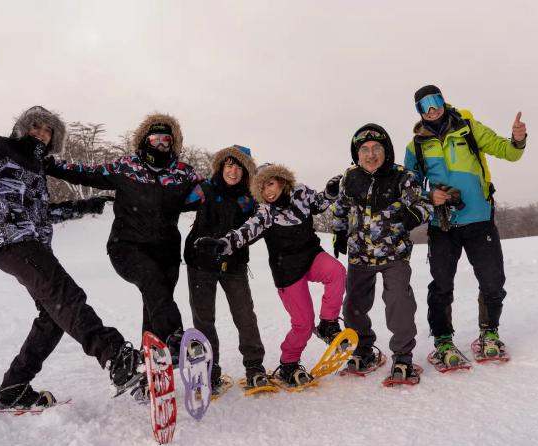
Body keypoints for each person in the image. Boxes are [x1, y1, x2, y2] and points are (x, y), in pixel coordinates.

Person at [0, 106, 143, 409]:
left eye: (47, 130)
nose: (41, 133)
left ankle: (13, 387)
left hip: (30, 244)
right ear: (23, 128)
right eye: (36, 127)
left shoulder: (37, 166)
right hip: (9, 238)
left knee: (52, 316)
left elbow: (41, 213)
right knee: (66, 296)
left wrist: (83, 207)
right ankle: (117, 358)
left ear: (54, 138)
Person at [46, 113, 201, 366]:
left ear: (173, 143)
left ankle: (150, 363)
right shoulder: (127, 167)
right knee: (153, 284)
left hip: (167, 251)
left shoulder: (183, 173)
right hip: (127, 246)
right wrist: (50, 164)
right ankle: (175, 337)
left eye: (166, 140)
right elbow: (87, 173)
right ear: (144, 140)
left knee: (157, 301)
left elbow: (210, 195)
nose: (160, 145)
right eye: (155, 139)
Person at [404, 85, 527, 368]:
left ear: (444, 101)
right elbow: (408, 187)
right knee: (442, 285)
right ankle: (443, 340)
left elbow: (506, 151)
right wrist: (428, 197)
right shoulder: (416, 146)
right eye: (424, 106)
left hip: (479, 219)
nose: (431, 109)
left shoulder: (468, 127)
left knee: (493, 281)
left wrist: (517, 140)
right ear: (419, 112)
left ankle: (490, 333)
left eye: (435, 101)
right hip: (442, 224)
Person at [194, 164, 345, 388]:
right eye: (262, 188)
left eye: (271, 184)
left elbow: (320, 202)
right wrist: (222, 244)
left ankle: (328, 324)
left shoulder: (300, 193)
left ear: (282, 181)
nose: (268, 191)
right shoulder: (265, 212)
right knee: (303, 324)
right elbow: (245, 232)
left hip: (312, 257)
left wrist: (331, 191)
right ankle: (288, 365)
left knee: (337, 271)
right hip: (287, 272)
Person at [332, 124, 433, 383]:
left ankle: (402, 356)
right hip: (359, 256)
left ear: (386, 150)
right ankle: (364, 349)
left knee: (399, 303)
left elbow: (424, 205)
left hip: (394, 255)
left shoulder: (402, 177)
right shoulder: (350, 177)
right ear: (357, 154)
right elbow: (341, 208)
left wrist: (414, 215)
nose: (371, 154)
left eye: (377, 148)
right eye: (364, 149)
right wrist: (339, 233)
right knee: (353, 306)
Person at [182, 145, 269, 393]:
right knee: (204, 319)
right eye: (229, 165)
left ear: (246, 171)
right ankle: (209, 371)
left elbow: (258, 227)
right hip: (200, 264)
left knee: (245, 316)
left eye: (239, 167)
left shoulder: (249, 198)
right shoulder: (204, 189)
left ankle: (254, 368)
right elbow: (175, 202)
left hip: (234, 265)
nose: (233, 171)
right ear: (221, 166)